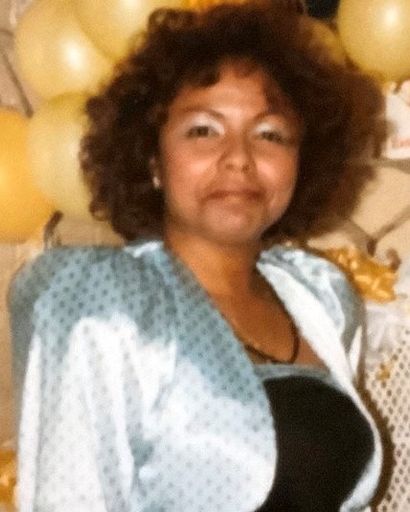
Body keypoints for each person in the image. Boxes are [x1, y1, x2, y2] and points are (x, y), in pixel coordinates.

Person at [9, 1, 385, 510]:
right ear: (152, 159)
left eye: (270, 134)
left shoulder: (319, 297)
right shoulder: (102, 301)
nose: (239, 158)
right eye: (203, 130)